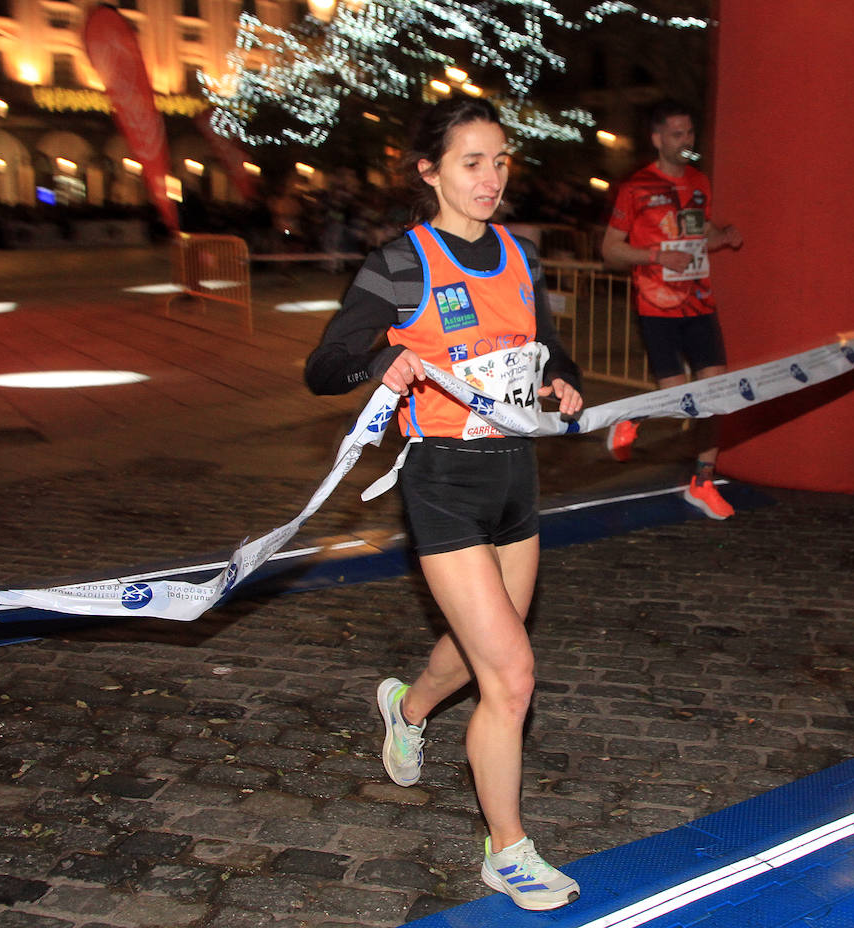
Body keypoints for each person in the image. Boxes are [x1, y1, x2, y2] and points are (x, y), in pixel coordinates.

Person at [304, 97, 584, 912]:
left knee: (473, 656)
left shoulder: (521, 254)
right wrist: (384, 358)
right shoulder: (403, 262)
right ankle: (508, 850)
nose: (492, 177)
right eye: (472, 161)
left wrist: (563, 380)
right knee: (513, 675)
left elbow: (546, 346)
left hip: (516, 480)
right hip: (444, 486)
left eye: (501, 160)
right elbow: (325, 364)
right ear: (430, 171)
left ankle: (408, 704)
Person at [600, 100, 744, 520]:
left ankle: (702, 480)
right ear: (658, 139)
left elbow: (701, 232)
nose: (686, 142)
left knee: (714, 395)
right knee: (677, 396)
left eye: (690, 133)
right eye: (677, 134)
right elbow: (609, 250)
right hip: (656, 306)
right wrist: (656, 257)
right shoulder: (636, 187)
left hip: (701, 303)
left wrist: (725, 236)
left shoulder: (700, 182)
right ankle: (633, 417)